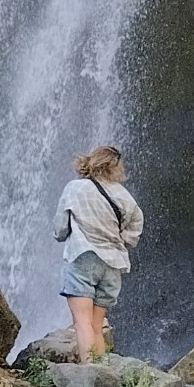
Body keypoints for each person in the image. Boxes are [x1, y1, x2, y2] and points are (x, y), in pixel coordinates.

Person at [53, 145, 143, 361]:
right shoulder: (125, 197)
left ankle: (89, 373)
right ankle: (102, 372)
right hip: (112, 265)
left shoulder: (75, 188)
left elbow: (60, 229)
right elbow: (134, 231)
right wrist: (118, 240)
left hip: (83, 257)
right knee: (96, 324)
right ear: (115, 167)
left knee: (82, 322)